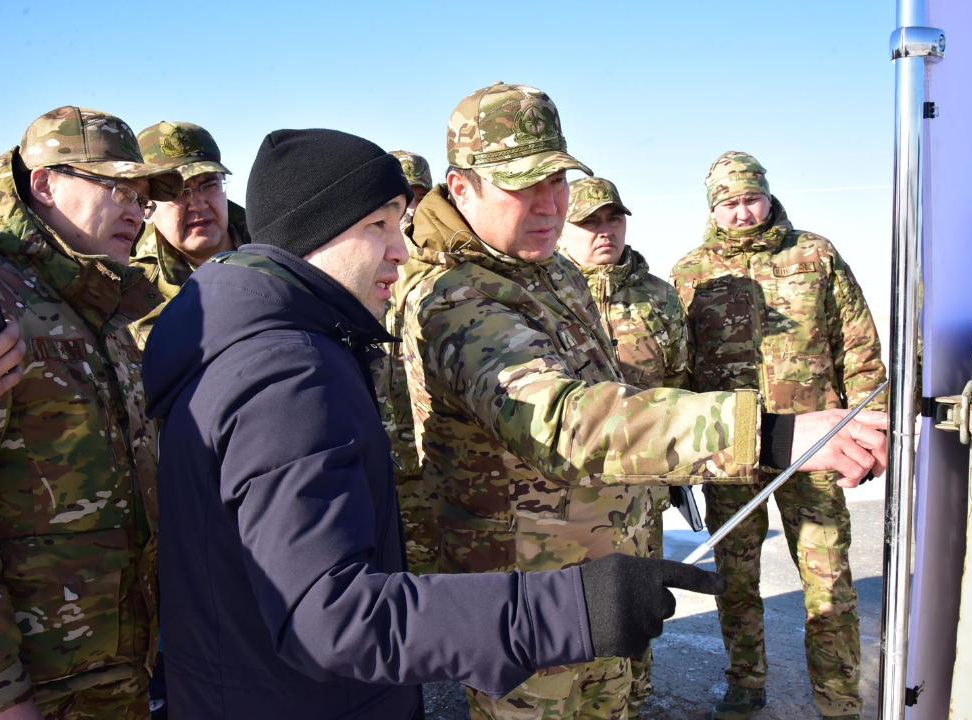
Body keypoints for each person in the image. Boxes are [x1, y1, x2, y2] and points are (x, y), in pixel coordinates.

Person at [142, 128, 728, 720]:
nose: (400, 250)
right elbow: (334, 616)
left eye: (399, 224)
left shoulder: (276, 343)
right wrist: (570, 609)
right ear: (313, 232)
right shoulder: (286, 374)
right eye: (378, 225)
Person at [398, 82, 888, 720]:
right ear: (461, 188)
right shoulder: (454, 297)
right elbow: (564, 420)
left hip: (602, 577)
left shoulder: (552, 271)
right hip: (525, 597)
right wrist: (767, 433)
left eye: (557, 181)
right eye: (522, 186)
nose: (549, 205)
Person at [0, 106, 181, 719]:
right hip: (27, 689)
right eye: (117, 189)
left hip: (112, 674)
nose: (137, 211)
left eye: (143, 198)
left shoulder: (96, 296)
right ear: (46, 184)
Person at [670, 151, 887, 720]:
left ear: (767, 196)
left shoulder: (815, 255)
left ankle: (839, 702)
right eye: (729, 203)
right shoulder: (692, 273)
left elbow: (858, 346)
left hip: (815, 450)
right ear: (712, 207)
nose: (742, 212)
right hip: (732, 454)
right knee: (735, 580)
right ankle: (746, 683)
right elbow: (680, 366)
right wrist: (682, 455)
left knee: (829, 583)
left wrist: (873, 426)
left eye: (751, 199)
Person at [559, 175, 697, 717]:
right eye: (588, 222)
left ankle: (635, 697)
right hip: (570, 490)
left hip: (643, 484)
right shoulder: (546, 296)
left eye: (612, 219)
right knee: (579, 603)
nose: (604, 231)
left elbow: (679, 378)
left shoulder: (658, 296)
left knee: (640, 594)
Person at [374, 149, 440, 573]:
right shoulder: (370, 268)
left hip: (433, 463)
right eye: (398, 201)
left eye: (418, 196)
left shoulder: (444, 267)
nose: (410, 209)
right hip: (385, 458)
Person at [129, 121, 250, 345]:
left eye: (209, 185)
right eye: (177, 192)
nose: (198, 205)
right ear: (147, 205)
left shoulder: (276, 243)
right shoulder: (134, 286)